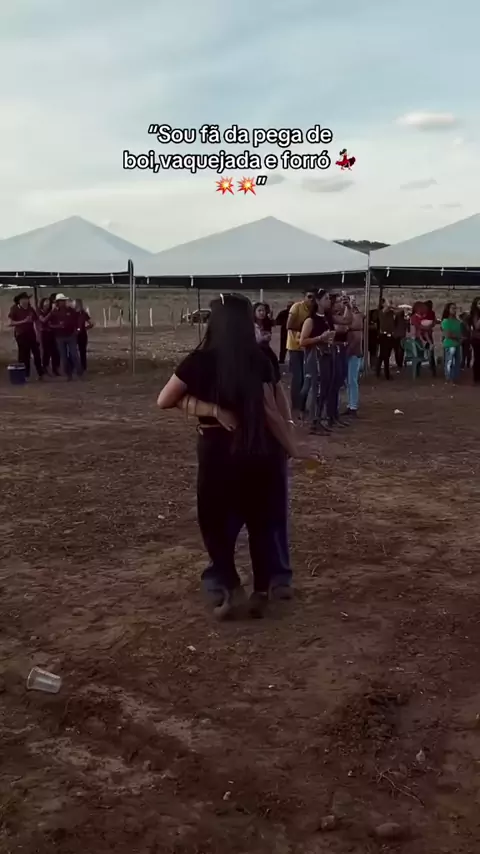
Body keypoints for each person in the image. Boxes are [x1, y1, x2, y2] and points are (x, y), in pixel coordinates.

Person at [157, 294, 316, 620]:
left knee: (215, 523)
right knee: (261, 522)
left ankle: (230, 587)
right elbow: (273, 409)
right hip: (260, 450)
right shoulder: (260, 357)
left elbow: (165, 400)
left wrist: (212, 410)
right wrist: (291, 445)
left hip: (217, 451)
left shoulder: (198, 361)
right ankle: (261, 591)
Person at [299, 290, 335, 434]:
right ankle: (313, 422)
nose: (329, 301)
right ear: (318, 301)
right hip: (315, 357)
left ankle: (319, 418)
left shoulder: (327, 318)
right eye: (326, 298)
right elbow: (302, 341)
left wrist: (330, 338)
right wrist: (320, 338)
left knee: (325, 387)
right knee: (316, 389)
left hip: (327, 354)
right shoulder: (310, 320)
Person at [286, 290, 317, 415]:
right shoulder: (297, 307)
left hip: (307, 347)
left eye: (313, 297)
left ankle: (302, 405)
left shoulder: (313, 310)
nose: (311, 299)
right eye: (309, 297)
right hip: (295, 346)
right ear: (304, 297)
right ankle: (296, 405)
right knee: (297, 377)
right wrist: (305, 327)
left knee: (306, 378)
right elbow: (289, 325)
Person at [8, 292, 43, 380]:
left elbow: (36, 321)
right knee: (24, 355)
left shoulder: (30, 309)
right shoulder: (14, 309)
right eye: (24, 299)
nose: (26, 301)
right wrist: (24, 321)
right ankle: (25, 374)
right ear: (19, 300)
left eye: (27, 299)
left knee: (36, 353)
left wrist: (38, 333)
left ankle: (40, 373)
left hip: (31, 333)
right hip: (21, 334)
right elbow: (10, 323)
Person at [46, 293, 83, 380]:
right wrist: (58, 326)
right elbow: (48, 324)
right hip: (60, 337)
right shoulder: (54, 313)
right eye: (61, 301)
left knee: (74, 354)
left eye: (63, 301)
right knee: (64, 357)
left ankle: (79, 372)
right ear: (58, 302)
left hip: (71, 335)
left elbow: (78, 320)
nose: (62, 302)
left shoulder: (71, 310)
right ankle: (68, 374)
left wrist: (77, 329)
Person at [345, 296, 363, 417]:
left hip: (353, 352)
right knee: (349, 380)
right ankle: (350, 404)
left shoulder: (356, 316)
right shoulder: (351, 315)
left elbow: (357, 337)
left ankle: (353, 406)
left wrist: (348, 350)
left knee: (352, 380)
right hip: (350, 351)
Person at [38, 296, 60, 376]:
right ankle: (45, 367)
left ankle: (55, 368)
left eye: (48, 302)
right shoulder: (40, 311)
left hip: (52, 332)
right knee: (46, 351)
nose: (47, 304)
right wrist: (51, 313)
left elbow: (55, 321)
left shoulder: (51, 311)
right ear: (42, 303)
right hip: (44, 333)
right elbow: (43, 320)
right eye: (46, 302)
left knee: (55, 352)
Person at [441, 302, 462, 383]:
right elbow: (447, 334)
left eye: (455, 308)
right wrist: (458, 337)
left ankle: (454, 378)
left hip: (457, 344)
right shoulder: (445, 321)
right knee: (450, 362)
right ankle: (449, 378)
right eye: (453, 308)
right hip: (450, 344)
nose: (454, 310)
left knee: (456, 362)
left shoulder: (457, 322)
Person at [376, 300, 396, 380]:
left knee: (383, 355)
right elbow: (387, 308)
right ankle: (387, 374)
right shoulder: (381, 312)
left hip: (390, 335)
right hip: (384, 335)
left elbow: (399, 311)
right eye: (386, 302)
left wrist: (392, 306)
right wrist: (390, 305)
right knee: (385, 355)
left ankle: (378, 371)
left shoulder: (391, 312)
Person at [75, 299, 94, 372]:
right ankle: (78, 366)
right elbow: (91, 324)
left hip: (81, 334)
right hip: (75, 334)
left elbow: (91, 323)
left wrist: (85, 328)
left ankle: (83, 367)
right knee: (75, 351)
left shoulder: (83, 313)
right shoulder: (73, 313)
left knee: (82, 351)